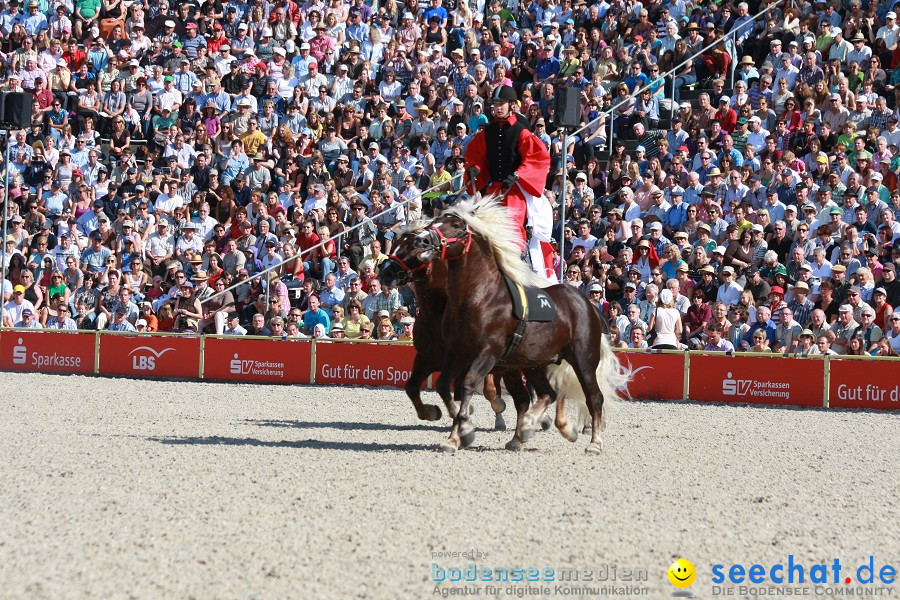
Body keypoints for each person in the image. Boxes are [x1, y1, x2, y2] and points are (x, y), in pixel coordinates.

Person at [464, 85, 554, 280]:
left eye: (501, 104)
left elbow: (537, 157)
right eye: (495, 104)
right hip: (495, 189)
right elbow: (477, 156)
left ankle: (518, 261)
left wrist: (519, 173)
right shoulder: (487, 132)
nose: (497, 108)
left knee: (512, 223)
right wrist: (475, 170)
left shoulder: (521, 131)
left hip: (514, 190)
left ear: (512, 105)